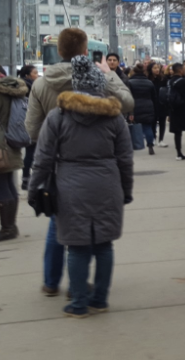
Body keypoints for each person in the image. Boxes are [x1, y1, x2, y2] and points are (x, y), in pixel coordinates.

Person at [26, 28, 134, 297]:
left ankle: (52, 282)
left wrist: (55, 141)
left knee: (58, 225)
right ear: (86, 51)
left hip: (60, 166)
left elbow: (31, 130)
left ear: (59, 51)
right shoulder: (98, 78)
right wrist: (110, 76)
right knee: (97, 238)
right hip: (98, 169)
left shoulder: (41, 84)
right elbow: (128, 104)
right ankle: (86, 290)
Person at [0, 75, 31, 241]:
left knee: (2, 186)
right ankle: (10, 225)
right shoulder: (14, 91)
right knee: (8, 184)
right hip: (12, 142)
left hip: (1, 145)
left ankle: (7, 228)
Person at [127, 63, 160, 155]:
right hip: (148, 106)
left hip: (135, 106)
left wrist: (130, 112)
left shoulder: (130, 82)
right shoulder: (149, 82)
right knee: (148, 127)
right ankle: (150, 145)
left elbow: (128, 96)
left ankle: (133, 145)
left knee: (133, 127)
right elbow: (154, 97)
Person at [18, 65, 39, 190]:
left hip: (25, 123)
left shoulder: (22, 86)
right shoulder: (29, 88)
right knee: (31, 152)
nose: (37, 75)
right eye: (35, 73)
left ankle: (26, 178)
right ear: (27, 75)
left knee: (30, 153)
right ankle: (27, 178)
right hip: (30, 123)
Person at [149, 62, 169, 147]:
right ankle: (153, 138)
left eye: (158, 68)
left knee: (162, 122)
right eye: (154, 68)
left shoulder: (163, 79)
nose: (157, 69)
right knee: (153, 122)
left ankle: (161, 140)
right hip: (152, 104)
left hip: (162, 103)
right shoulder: (148, 79)